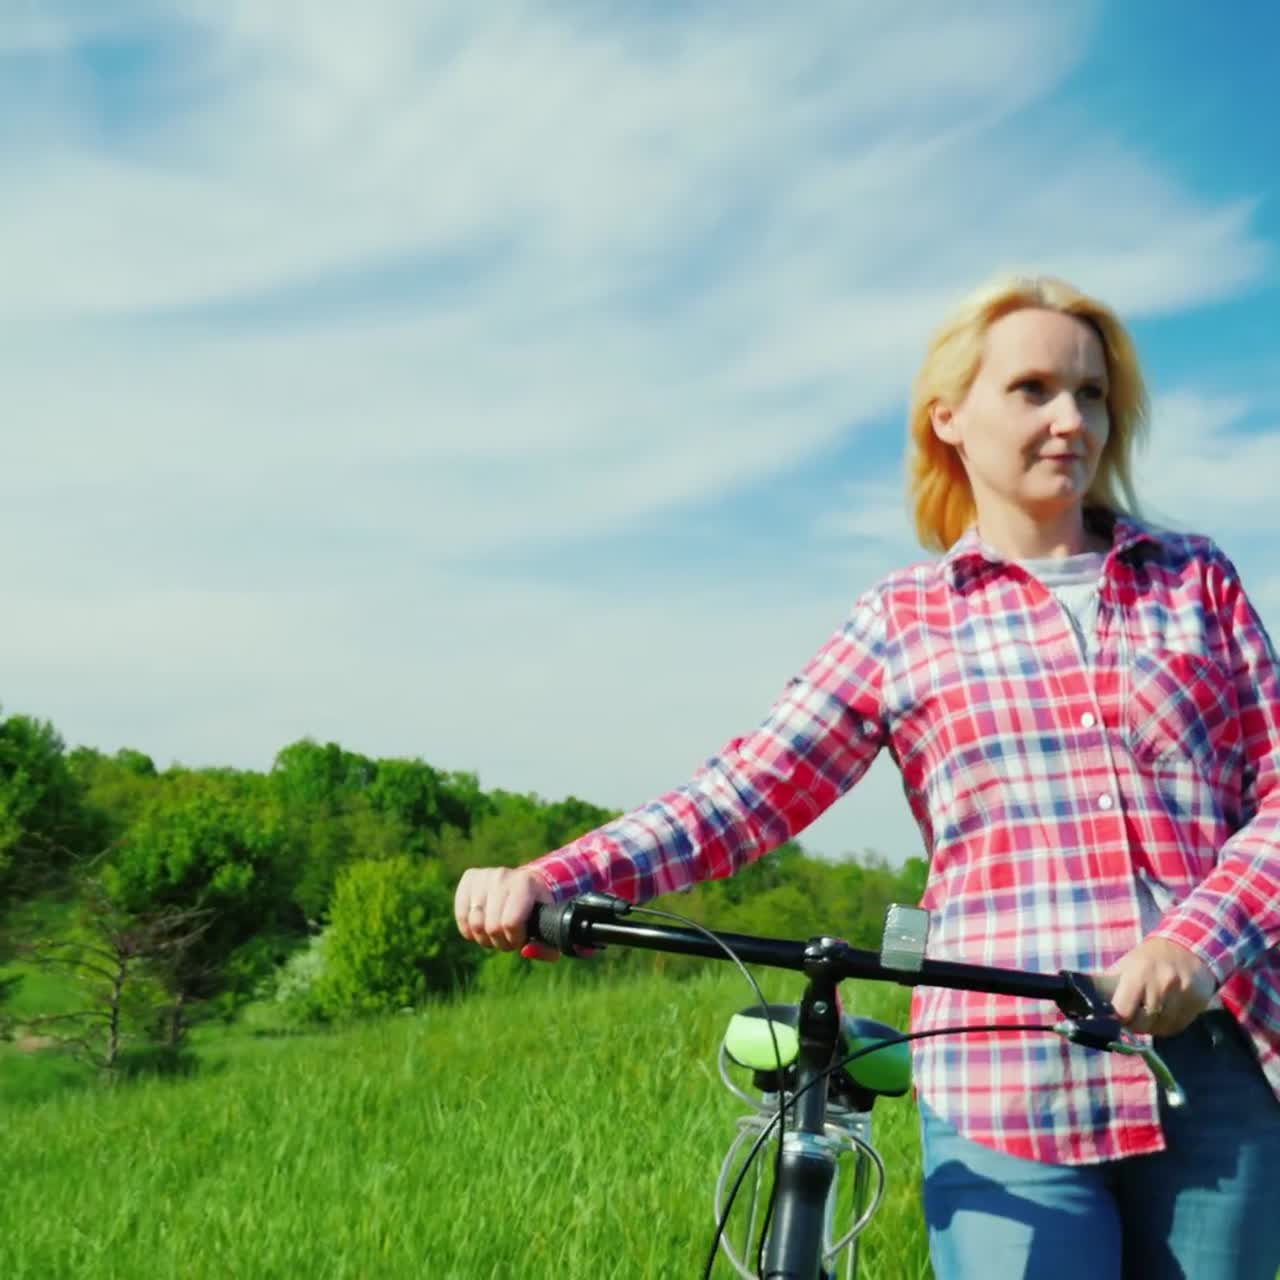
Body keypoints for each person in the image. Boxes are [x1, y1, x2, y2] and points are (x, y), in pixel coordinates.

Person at [454, 274, 1280, 1279]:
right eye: (1031, 389)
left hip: (1211, 1060)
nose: (1071, 420)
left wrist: (1192, 944)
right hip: (1000, 1077)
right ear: (949, 418)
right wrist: (557, 875)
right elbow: (744, 792)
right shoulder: (903, 619)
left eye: (1091, 394)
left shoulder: (1191, 579)